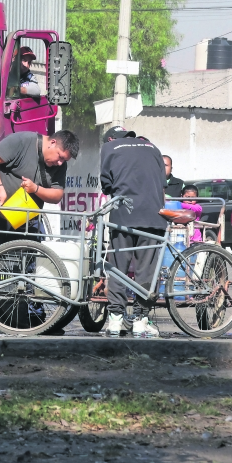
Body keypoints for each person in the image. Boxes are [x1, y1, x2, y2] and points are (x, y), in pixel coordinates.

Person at [99, 126, 167, 339]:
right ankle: (140, 321)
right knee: (145, 270)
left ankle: (115, 320)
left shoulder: (110, 147)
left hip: (124, 215)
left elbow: (106, 184)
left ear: (110, 138)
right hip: (153, 216)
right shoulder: (153, 147)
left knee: (118, 267)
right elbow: (162, 183)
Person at [0, 130, 78, 246]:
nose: (60, 163)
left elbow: (57, 195)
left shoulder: (60, 165)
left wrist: (36, 189)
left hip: (26, 219)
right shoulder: (21, 141)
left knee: (29, 260)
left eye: (64, 160)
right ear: (52, 142)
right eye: (60, 157)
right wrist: (0, 188)